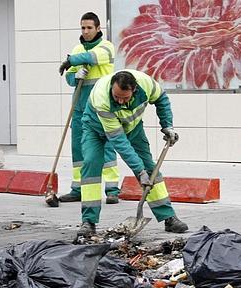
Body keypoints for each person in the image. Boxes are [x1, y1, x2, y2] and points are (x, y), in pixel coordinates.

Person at [77, 69, 189, 237]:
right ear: (112, 89)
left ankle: (168, 217)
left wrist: (167, 125)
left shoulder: (146, 84)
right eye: (116, 97)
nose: (121, 101)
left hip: (132, 127)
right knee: (91, 164)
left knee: (150, 168)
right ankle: (88, 221)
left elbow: (162, 99)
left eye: (125, 98)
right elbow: (120, 142)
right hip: (95, 128)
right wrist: (138, 171)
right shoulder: (102, 98)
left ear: (135, 90)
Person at [58, 12, 120, 204]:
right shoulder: (77, 49)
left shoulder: (106, 46)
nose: (85, 32)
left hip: (102, 107)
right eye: (83, 28)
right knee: (78, 150)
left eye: (89, 28)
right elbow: (69, 78)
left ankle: (112, 190)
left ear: (98, 28)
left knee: (107, 147)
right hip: (80, 108)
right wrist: (75, 76)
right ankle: (78, 188)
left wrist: (72, 60)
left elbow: (94, 57)